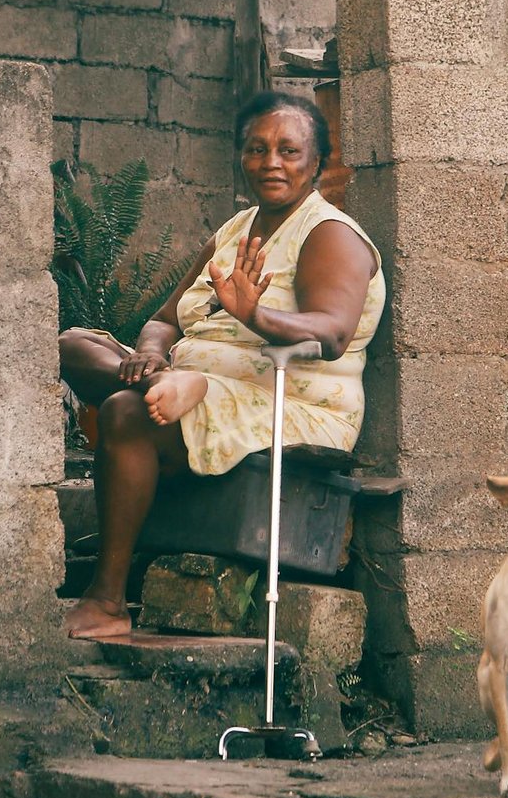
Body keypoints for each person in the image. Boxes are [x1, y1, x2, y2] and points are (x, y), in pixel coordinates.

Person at [58, 91, 386, 639]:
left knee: (122, 414)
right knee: (71, 344)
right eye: (257, 149)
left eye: (288, 150)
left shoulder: (329, 234)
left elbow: (331, 333)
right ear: (241, 156)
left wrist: (256, 315)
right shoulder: (236, 229)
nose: (271, 163)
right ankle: (168, 384)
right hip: (193, 378)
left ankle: (108, 602)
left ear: (317, 164)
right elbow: (165, 318)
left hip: (292, 402)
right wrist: (152, 355)